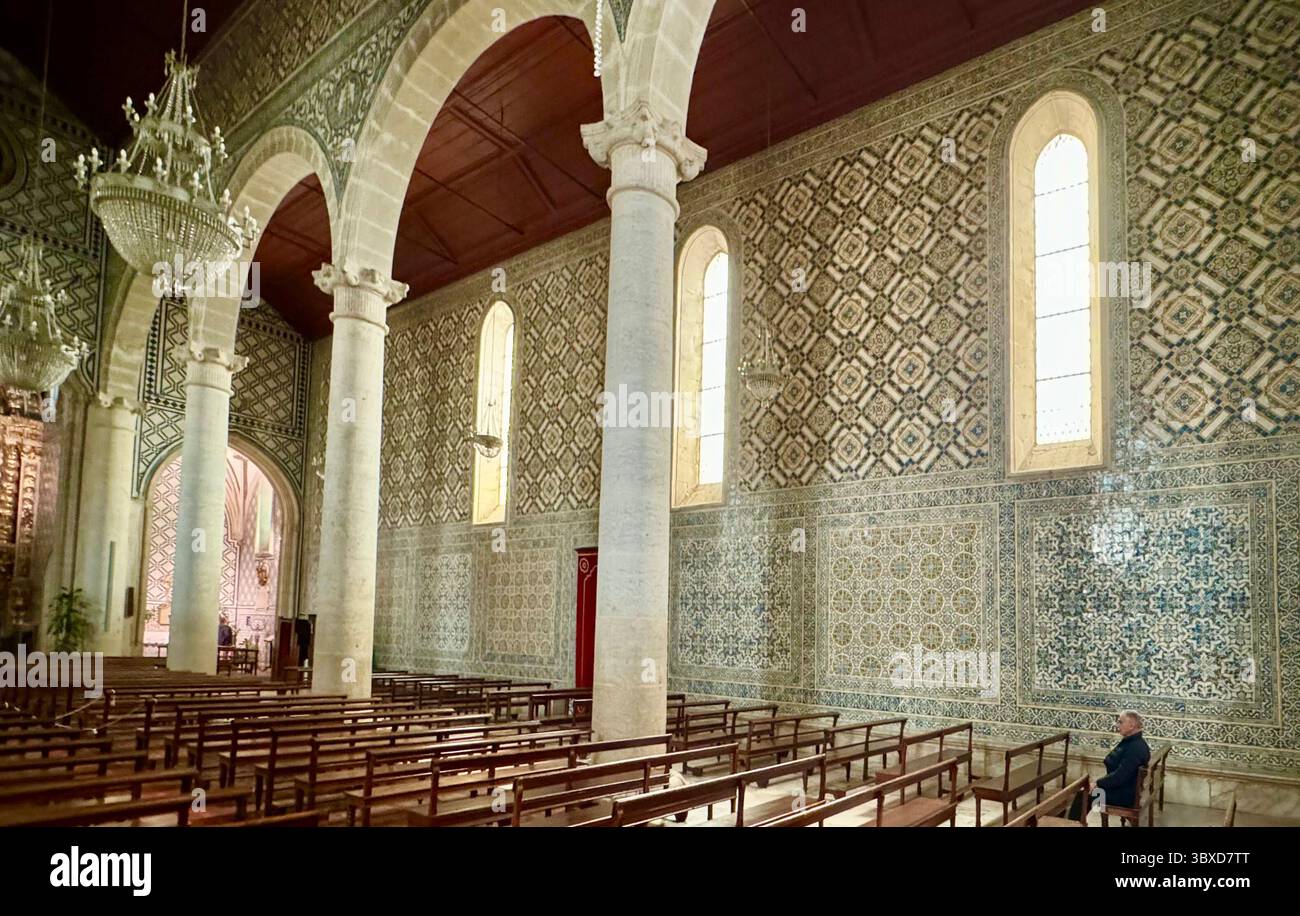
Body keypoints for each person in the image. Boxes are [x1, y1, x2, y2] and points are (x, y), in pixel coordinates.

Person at [1070, 710, 1151, 821]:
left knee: (1084, 794)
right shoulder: (1132, 741)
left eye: (1120, 722)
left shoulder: (1135, 747)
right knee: (1088, 790)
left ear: (1131, 725)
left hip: (1123, 796)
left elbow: (1120, 776)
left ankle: (1071, 823)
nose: (1117, 725)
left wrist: (1098, 783)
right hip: (1124, 790)